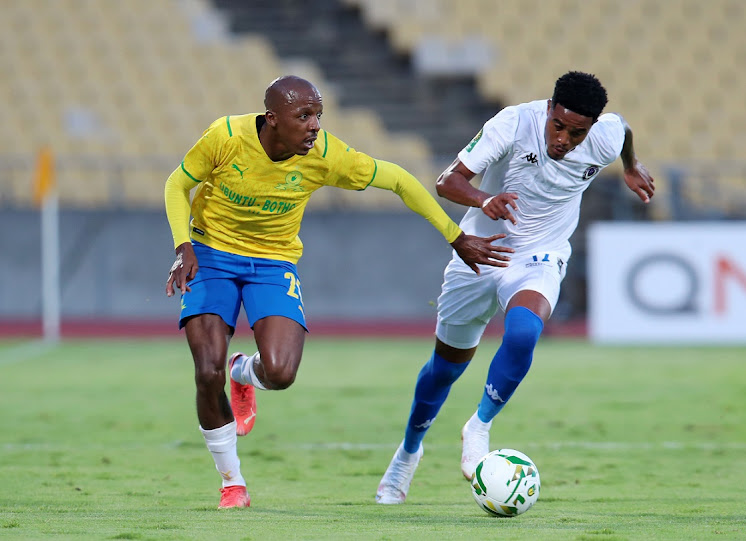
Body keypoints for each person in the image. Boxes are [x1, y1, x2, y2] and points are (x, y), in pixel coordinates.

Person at [164, 75, 513, 509]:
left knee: (281, 373)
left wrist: (454, 235)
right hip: (211, 253)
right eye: (303, 116)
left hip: (273, 262)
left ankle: (243, 372)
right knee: (205, 371)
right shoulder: (226, 136)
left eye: (318, 116)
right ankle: (232, 482)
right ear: (272, 120)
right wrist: (183, 248)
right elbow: (177, 184)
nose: (314, 126)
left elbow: (399, 180)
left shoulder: (326, 155)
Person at [376, 71, 655, 504]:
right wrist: (485, 200)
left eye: (576, 132)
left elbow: (624, 132)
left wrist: (632, 166)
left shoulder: (606, 134)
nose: (563, 139)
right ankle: (408, 453)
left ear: (591, 128)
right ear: (548, 109)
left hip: (540, 256)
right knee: (445, 369)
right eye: (558, 125)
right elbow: (447, 181)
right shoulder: (512, 123)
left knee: (524, 333)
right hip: (481, 252)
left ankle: (480, 425)